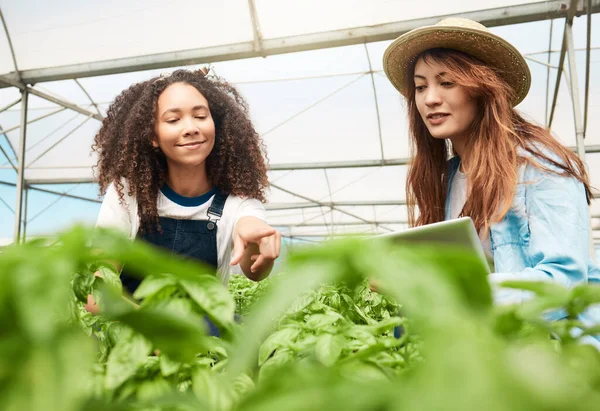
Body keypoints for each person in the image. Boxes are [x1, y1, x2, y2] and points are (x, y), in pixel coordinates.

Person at [382, 18, 599, 344]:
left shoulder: (539, 166)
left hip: (554, 358)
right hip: (489, 351)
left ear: (483, 88)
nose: (430, 99)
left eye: (448, 82)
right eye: (421, 86)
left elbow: (562, 283)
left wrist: (452, 291)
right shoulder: (449, 177)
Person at [86, 68, 281, 334]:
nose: (191, 128)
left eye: (200, 116)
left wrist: (258, 244)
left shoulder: (237, 201)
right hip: (127, 329)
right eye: (173, 119)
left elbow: (254, 268)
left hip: (199, 337)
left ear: (217, 125)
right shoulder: (128, 193)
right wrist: (157, 337)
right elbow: (97, 293)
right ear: (152, 136)